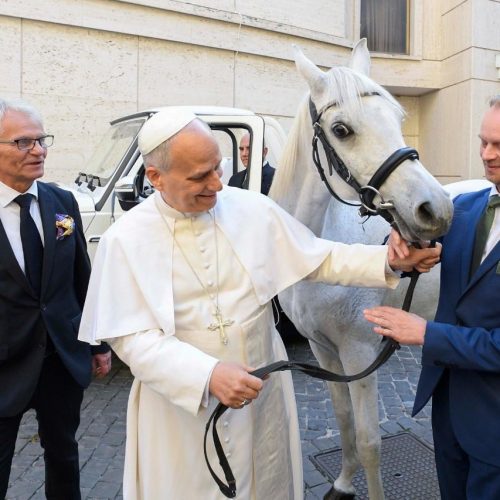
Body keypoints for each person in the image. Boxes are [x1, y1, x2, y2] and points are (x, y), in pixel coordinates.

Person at [78, 108, 440, 500]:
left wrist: (389, 260)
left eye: (218, 167)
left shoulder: (248, 207)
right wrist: (206, 375)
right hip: (180, 408)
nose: (216, 184)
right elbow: (132, 338)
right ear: (156, 177)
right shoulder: (125, 239)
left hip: (261, 393)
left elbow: (318, 257)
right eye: (199, 177)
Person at [364, 95, 500, 500]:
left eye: (499, 145)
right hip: (449, 410)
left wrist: (426, 333)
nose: (486, 155)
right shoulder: (465, 207)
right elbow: (421, 240)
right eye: (483, 142)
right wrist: (401, 239)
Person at [0, 98, 112, 499]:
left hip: (60, 360)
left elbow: (82, 275)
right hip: (4, 366)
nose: (38, 150)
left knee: (64, 456)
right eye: (23, 142)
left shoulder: (61, 203)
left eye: (41, 140)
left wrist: (97, 344)